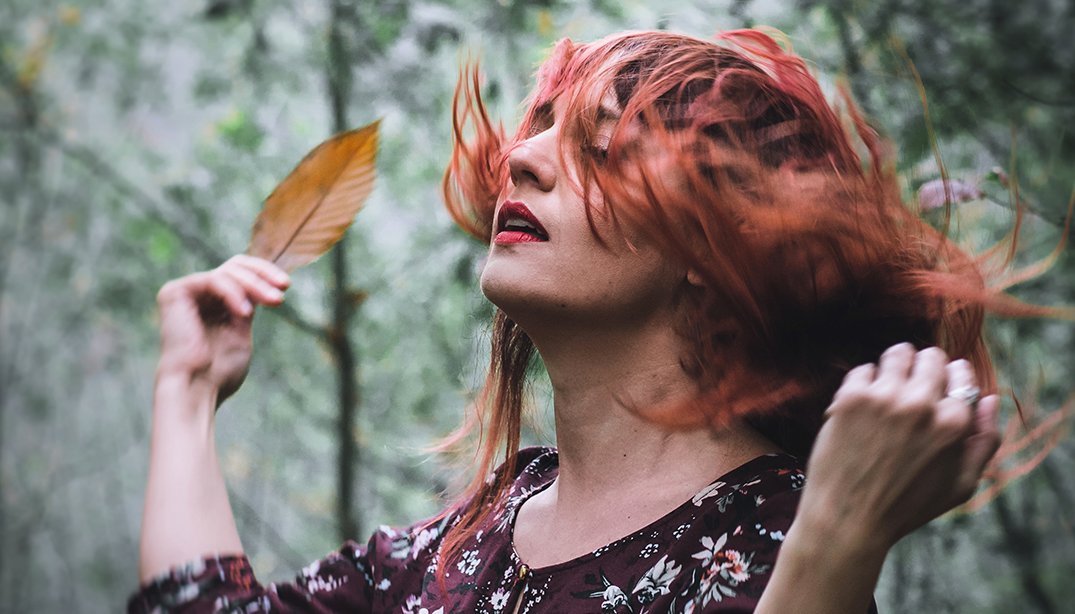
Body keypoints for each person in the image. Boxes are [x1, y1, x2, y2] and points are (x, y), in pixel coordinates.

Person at [129, 28, 1008, 613]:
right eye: (538, 129)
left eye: (602, 148)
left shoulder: (781, 535)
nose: (520, 157)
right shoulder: (462, 542)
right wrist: (187, 390)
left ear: (714, 239)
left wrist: (837, 543)